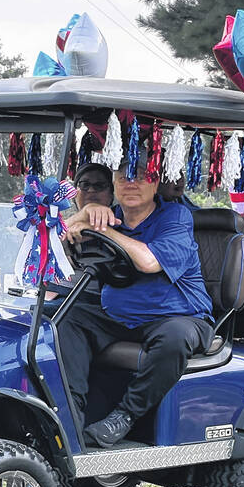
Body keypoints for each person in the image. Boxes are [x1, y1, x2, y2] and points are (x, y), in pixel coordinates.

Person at [59, 150, 214, 447]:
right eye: (124, 177)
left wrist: (102, 229)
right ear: (115, 185)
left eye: (143, 176)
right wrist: (82, 214)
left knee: (175, 337)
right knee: (67, 318)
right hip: (120, 316)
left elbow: (148, 262)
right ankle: (71, 413)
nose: (132, 183)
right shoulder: (110, 214)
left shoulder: (175, 216)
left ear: (156, 184)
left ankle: (125, 416)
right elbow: (62, 241)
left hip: (178, 315)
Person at [44, 163, 114, 312]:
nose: (91, 191)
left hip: (91, 303)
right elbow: (37, 244)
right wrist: (82, 215)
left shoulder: (120, 226)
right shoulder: (63, 222)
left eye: (100, 186)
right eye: (85, 185)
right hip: (51, 296)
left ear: (111, 194)